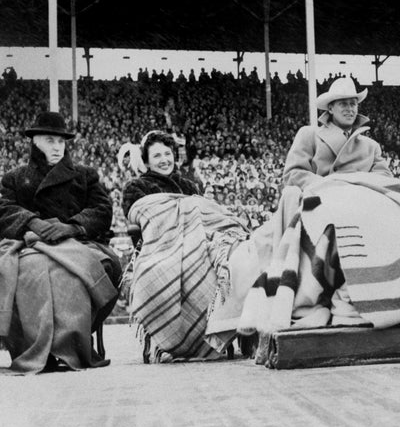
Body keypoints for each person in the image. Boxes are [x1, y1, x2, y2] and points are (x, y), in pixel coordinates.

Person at [0, 112, 120, 373]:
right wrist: (32, 222)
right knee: (28, 273)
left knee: (70, 274)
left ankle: (70, 349)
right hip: (30, 245)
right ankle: (36, 348)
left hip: (78, 243)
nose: (57, 146)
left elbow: (102, 209)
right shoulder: (15, 178)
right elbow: (4, 209)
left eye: (61, 141)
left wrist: (71, 226)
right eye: (50, 140)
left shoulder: (85, 175)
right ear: (35, 142)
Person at [121, 131, 248, 361]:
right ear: (147, 160)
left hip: (199, 243)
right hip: (161, 247)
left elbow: (206, 216)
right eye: (157, 155)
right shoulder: (136, 187)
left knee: (232, 257)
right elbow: (141, 220)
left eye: (168, 154)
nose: (164, 159)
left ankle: (219, 331)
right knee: (167, 269)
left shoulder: (190, 186)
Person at [283, 77, 391, 189]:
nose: (349, 109)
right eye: (343, 104)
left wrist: (357, 186)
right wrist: (330, 185)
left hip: (360, 201)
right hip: (322, 199)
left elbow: (385, 178)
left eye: (353, 104)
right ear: (330, 108)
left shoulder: (371, 146)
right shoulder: (309, 134)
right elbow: (293, 174)